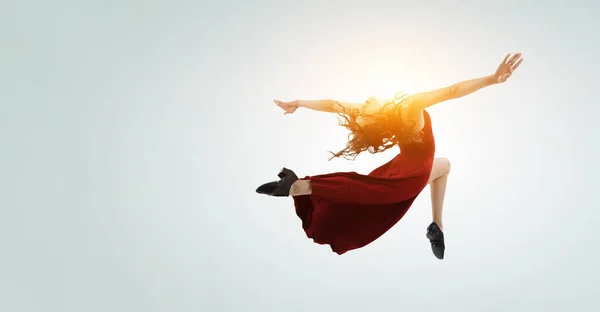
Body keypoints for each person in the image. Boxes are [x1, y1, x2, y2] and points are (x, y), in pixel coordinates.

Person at [256, 53, 523, 259]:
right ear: (376, 116)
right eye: (368, 104)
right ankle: (300, 186)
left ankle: (437, 227)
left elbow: (332, 105)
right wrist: (491, 79)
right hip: (411, 171)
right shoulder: (408, 108)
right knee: (363, 188)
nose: (368, 100)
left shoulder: (381, 114)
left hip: (405, 167)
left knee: (445, 166)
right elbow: (451, 91)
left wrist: (300, 103)